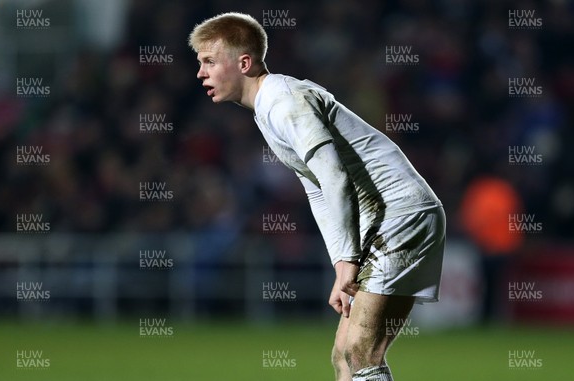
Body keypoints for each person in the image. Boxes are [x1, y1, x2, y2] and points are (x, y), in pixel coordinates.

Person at [189, 12, 446, 381]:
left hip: (400, 215)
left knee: (361, 352)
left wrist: (347, 261)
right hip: (391, 217)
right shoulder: (268, 108)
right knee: (344, 355)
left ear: (244, 62)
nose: (201, 72)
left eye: (210, 61)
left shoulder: (283, 101)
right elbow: (319, 190)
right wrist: (342, 265)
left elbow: (334, 177)